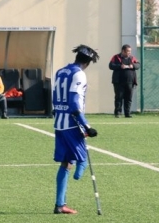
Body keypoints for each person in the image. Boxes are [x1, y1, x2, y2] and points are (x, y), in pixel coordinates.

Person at [52, 45, 99, 214]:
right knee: (82, 160)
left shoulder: (60, 71)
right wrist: (86, 126)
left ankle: (60, 205)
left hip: (59, 123)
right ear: (88, 62)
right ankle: (78, 174)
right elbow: (73, 102)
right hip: (72, 124)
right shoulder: (79, 74)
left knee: (66, 162)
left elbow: (55, 95)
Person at [109, 44, 140, 118]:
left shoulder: (132, 58)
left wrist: (133, 66)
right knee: (119, 97)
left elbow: (138, 65)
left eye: (130, 51)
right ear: (123, 51)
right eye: (128, 51)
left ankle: (127, 113)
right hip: (118, 82)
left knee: (128, 98)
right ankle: (118, 113)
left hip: (130, 82)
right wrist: (120, 66)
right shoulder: (116, 57)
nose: (129, 53)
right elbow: (111, 65)